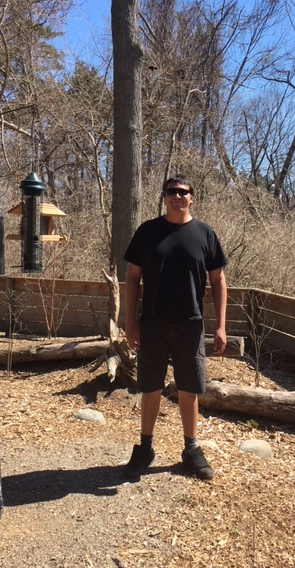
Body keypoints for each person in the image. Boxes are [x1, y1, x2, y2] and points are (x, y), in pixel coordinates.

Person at [122, 174, 227, 482]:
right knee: (150, 387)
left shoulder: (204, 234)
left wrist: (221, 326)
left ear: (191, 197)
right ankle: (145, 448)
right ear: (164, 197)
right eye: (171, 192)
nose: (177, 196)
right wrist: (130, 322)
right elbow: (131, 278)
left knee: (189, 388)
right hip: (152, 324)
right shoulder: (148, 232)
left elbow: (218, 281)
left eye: (183, 192)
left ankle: (191, 449)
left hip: (190, 325)